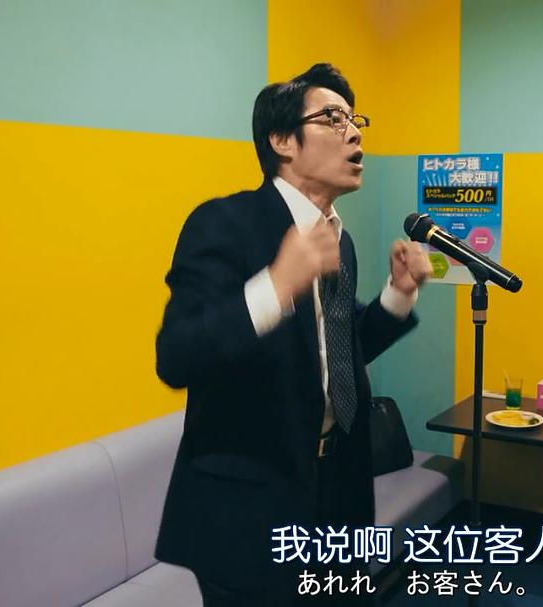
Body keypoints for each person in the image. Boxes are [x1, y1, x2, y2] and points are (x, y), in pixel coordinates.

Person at [153, 63, 432, 606]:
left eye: (355, 121)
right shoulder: (223, 222)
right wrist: (276, 286)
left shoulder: (337, 240)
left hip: (339, 494)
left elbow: (337, 357)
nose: (354, 134)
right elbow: (177, 356)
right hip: (250, 514)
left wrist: (398, 296)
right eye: (333, 119)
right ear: (281, 140)